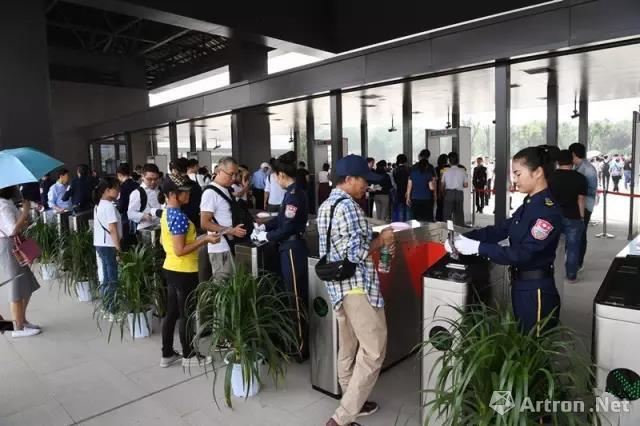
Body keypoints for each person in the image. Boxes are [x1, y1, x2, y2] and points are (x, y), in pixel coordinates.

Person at [447, 146, 563, 335]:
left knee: (533, 344)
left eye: (518, 174)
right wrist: (464, 238)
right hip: (521, 285)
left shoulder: (546, 211)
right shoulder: (528, 204)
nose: (514, 179)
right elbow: (499, 230)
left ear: (538, 172)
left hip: (535, 290)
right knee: (523, 339)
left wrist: (478, 247)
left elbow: (523, 254)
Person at [317, 154, 396, 426]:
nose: (367, 186)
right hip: (358, 289)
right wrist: (382, 240)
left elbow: (341, 244)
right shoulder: (350, 207)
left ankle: (353, 400)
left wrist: (371, 238)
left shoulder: (327, 205)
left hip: (338, 288)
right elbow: (356, 252)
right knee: (374, 351)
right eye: (364, 180)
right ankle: (342, 418)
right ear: (349, 179)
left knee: (348, 346)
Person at [252, 151, 310, 360]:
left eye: (275, 176)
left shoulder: (294, 195)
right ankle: (295, 341)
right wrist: (264, 225)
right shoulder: (292, 192)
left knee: (295, 298)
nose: (275, 180)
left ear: (281, 175)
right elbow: (281, 219)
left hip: (293, 249)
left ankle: (301, 347)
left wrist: (267, 236)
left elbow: (288, 227)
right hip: (287, 247)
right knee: (290, 294)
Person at [160, 178, 219, 368]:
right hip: (184, 270)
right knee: (187, 314)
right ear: (172, 194)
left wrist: (199, 238)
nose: (188, 194)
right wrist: (204, 240)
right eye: (184, 191)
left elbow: (165, 242)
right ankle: (189, 355)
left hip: (171, 267)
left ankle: (167, 354)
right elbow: (180, 250)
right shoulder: (178, 217)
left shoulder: (166, 212)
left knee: (172, 313)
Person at [0, 186, 41, 338]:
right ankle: (17, 328)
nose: (17, 189)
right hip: (8, 246)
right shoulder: (2, 205)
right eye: (15, 187)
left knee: (27, 284)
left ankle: (21, 321)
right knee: (16, 286)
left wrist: (24, 216)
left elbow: (18, 223)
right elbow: (11, 229)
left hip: (13, 244)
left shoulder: (7, 202)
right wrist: (25, 211)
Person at [200, 157, 247, 282]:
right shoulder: (210, 193)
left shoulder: (226, 189)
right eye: (231, 174)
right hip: (220, 248)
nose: (234, 178)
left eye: (236, 174)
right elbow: (204, 223)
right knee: (222, 286)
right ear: (219, 171)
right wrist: (230, 230)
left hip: (230, 246)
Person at [549, 150, 587, 284]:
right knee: (573, 248)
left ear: (558, 162)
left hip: (553, 217)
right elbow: (581, 200)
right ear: (572, 161)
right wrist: (582, 218)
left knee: (549, 246)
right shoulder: (580, 178)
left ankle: (548, 273)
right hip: (573, 217)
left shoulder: (550, 177)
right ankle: (571, 276)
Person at [93, 177, 122, 315]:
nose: (118, 191)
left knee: (106, 277)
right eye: (116, 188)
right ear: (107, 190)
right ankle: (113, 309)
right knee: (112, 278)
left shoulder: (99, 204)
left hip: (100, 244)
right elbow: (113, 229)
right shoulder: (109, 206)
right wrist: (118, 249)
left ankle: (107, 306)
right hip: (109, 245)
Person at [569, 143, 598, 271]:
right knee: (576, 233)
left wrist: (575, 191)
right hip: (576, 204)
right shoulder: (577, 167)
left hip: (585, 206)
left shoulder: (588, 169)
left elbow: (591, 191)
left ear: (573, 154)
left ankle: (579, 263)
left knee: (581, 234)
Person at [128, 163, 164, 232]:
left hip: (161, 227)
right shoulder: (137, 193)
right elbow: (130, 214)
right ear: (142, 177)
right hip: (146, 230)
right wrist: (144, 215)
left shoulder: (160, 189)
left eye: (156, 179)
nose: (153, 182)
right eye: (149, 179)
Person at [169, 158, 202, 230]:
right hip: (194, 222)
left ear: (175, 171)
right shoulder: (194, 185)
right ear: (187, 168)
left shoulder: (175, 186)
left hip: (182, 223)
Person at [115, 163, 139, 249]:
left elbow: (121, 205)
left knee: (127, 244)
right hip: (138, 218)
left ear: (119, 174)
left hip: (126, 218)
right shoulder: (137, 185)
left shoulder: (122, 187)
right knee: (137, 243)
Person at [441, 152, 468, 226]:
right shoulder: (462, 170)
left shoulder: (445, 170)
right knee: (459, 213)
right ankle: (460, 230)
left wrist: (443, 193)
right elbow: (466, 185)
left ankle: (449, 230)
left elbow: (442, 184)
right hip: (459, 194)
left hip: (449, 193)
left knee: (447, 214)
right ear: (458, 161)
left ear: (449, 161)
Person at [392, 154, 410, 222]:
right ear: (405, 160)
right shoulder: (408, 169)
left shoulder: (395, 170)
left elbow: (394, 182)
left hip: (399, 192)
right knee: (407, 210)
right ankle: (408, 224)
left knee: (400, 210)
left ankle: (401, 224)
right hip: (407, 192)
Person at [434, 154, 449, 221]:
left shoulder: (436, 169)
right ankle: (445, 221)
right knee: (446, 207)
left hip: (438, 189)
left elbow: (435, 180)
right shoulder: (447, 168)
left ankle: (439, 220)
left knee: (439, 207)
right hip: (446, 190)